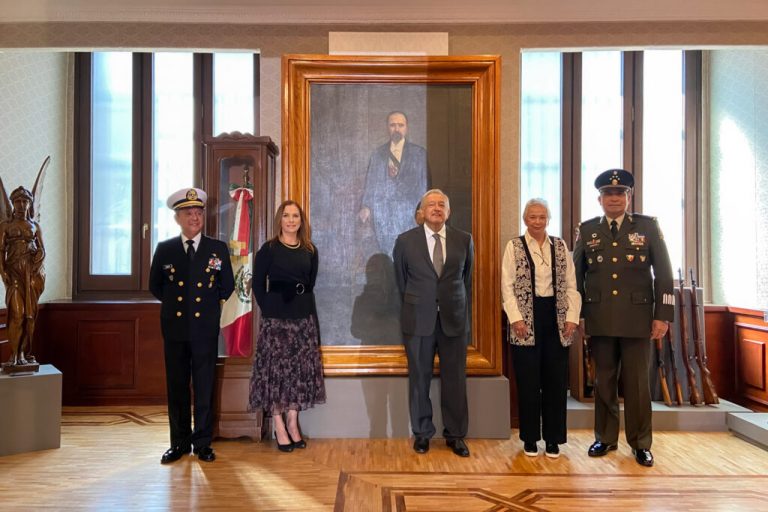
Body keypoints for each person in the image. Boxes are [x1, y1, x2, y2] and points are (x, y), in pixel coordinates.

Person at [573, 169, 674, 467]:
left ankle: (641, 443)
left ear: (629, 197)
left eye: (620, 193)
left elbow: (664, 274)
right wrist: (577, 315)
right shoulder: (588, 230)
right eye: (608, 194)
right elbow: (576, 277)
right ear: (600, 199)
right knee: (603, 382)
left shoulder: (647, 227)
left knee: (638, 385)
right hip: (600, 318)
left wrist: (662, 316)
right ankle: (605, 437)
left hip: (637, 319)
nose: (614, 198)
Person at [149, 187, 235, 464]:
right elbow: (155, 286)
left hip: (204, 329)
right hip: (175, 329)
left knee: (204, 386)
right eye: (188, 213)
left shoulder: (216, 249)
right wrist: (179, 307)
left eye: (198, 212)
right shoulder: (165, 249)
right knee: (177, 387)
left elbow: (227, 286)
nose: (194, 218)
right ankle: (179, 443)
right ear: (177, 218)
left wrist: (205, 307)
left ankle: (202, 443)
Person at [393, 189, 474, 457]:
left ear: (448, 212)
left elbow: (466, 280)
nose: (437, 208)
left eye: (442, 204)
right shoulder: (405, 241)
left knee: (455, 380)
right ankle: (422, 434)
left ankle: (456, 435)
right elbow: (401, 282)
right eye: (431, 204)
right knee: (419, 379)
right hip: (418, 320)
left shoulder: (464, 240)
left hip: (454, 319)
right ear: (422, 211)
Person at [501, 198, 581, 459]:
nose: (537, 221)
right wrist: (516, 319)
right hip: (525, 321)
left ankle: (554, 439)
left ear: (548, 219)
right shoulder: (514, 246)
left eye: (542, 217)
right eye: (532, 217)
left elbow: (571, 285)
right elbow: (507, 286)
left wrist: (572, 318)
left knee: (556, 382)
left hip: (556, 320)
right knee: (528, 382)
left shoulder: (560, 246)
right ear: (525, 219)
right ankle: (530, 439)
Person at [248, 200, 326, 452]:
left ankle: (293, 423)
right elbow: (257, 285)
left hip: (303, 317)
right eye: (286, 215)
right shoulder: (269, 249)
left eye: (295, 216)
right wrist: (270, 308)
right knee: (277, 372)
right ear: (279, 220)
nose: (291, 220)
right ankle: (279, 425)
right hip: (276, 319)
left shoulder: (309, 250)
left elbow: (310, 283)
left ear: (301, 221)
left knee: (299, 372)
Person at [360, 111, 429, 256]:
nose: (396, 129)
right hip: (383, 215)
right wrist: (366, 206)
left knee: (408, 253)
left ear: (406, 128)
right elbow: (370, 182)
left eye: (400, 125)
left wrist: (424, 210)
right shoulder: (377, 154)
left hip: (409, 214)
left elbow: (424, 185)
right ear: (387, 127)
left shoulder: (419, 153)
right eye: (393, 125)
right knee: (388, 255)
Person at [0, 186, 45, 367]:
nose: (21, 204)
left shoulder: (35, 226)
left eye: (25, 201)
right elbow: (0, 251)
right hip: (14, 273)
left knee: (29, 315)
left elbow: (42, 249)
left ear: (29, 204)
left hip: (32, 273)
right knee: (17, 314)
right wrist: (3, 271)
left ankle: (23, 353)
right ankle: (14, 354)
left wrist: (38, 259)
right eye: (17, 201)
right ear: (12, 204)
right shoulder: (6, 226)